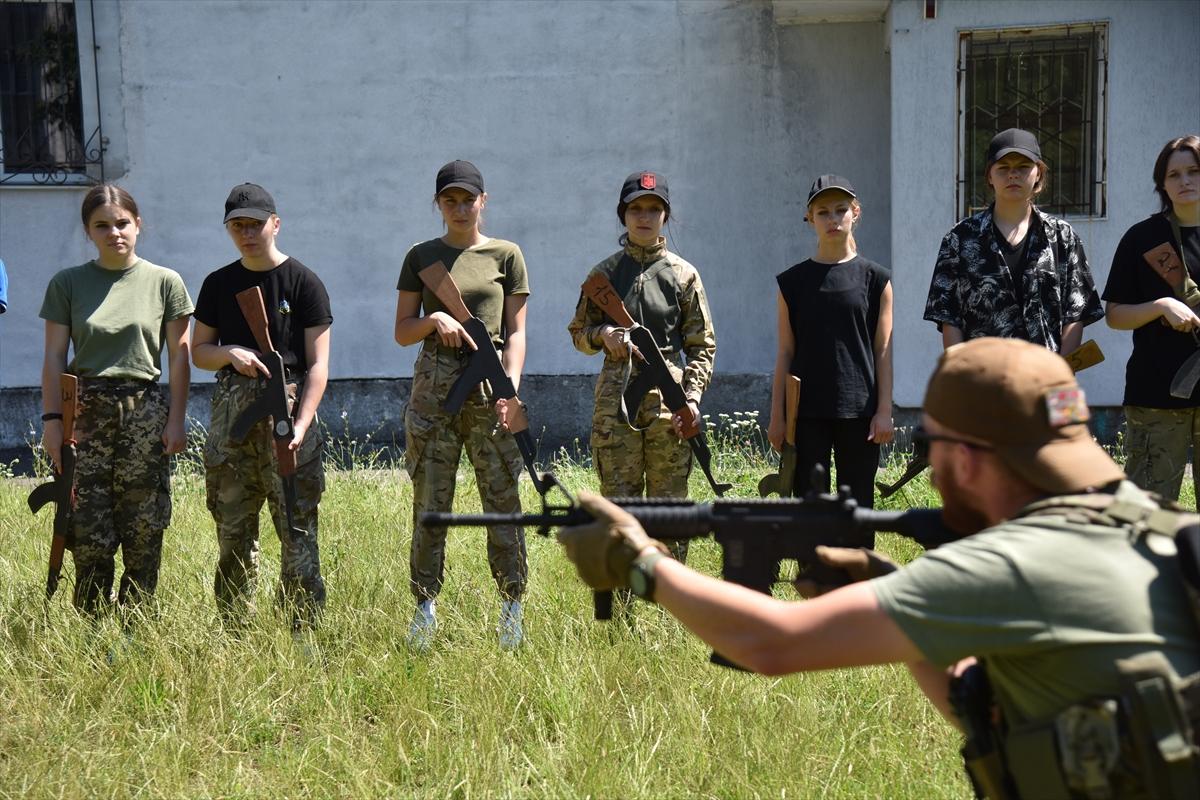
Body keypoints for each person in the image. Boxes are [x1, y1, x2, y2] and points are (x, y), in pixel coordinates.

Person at [557, 337, 1200, 797]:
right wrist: (903, 604)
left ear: (968, 460)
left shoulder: (1013, 561)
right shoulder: (1168, 529)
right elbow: (989, 711)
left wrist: (640, 563)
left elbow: (772, 643)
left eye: (932, 445)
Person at [38, 184, 193, 616]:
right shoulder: (68, 283)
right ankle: (92, 630)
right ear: (88, 231)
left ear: (138, 224)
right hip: (83, 412)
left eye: (122, 223)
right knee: (88, 528)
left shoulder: (165, 282)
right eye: (101, 225)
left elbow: (180, 359)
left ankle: (136, 627)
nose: (114, 233)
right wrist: (53, 421)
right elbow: (53, 358)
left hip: (143, 410)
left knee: (144, 526)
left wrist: (176, 420)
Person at [394, 160, 530, 651]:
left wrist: (510, 388)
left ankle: (512, 608)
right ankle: (424, 609)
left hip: (491, 389)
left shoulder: (506, 254)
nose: (458, 208)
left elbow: (516, 332)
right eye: (449, 200)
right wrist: (433, 321)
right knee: (431, 501)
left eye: (467, 199)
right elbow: (402, 330)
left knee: (503, 501)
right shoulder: (421, 256)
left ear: (483, 201)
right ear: (438, 204)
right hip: (435, 391)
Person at [192, 183, 332, 634]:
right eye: (238, 226)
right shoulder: (219, 283)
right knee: (233, 527)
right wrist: (230, 352)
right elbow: (200, 352)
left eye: (255, 224)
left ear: (276, 223)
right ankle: (236, 631)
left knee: (296, 525)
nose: (248, 234)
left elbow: (318, 366)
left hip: (288, 410)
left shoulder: (304, 282)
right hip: (233, 413)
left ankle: (302, 631)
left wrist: (302, 424)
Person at [566, 170, 716, 575]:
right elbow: (577, 333)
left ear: (665, 215)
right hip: (616, 406)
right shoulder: (603, 275)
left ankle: (672, 601)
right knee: (618, 508)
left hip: (669, 403)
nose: (644, 217)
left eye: (654, 209)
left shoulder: (683, 275)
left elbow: (702, 345)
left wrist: (694, 399)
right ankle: (621, 612)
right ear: (623, 215)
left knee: (669, 509)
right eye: (636, 209)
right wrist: (603, 334)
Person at [767, 175, 893, 514]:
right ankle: (813, 568)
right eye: (823, 212)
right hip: (805, 413)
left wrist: (884, 411)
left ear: (855, 212)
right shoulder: (791, 283)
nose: (833, 219)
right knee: (810, 508)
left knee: (857, 510)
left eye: (841, 210)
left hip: (860, 412)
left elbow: (882, 351)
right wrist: (777, 416)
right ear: (810, 218)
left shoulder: (876, 278)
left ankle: (857, 568)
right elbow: (785, 351)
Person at [924, 128, 1104, 355]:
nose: (1013, 175)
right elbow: (949, 318)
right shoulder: (959, 239)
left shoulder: (1062, 237)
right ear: (989, 175)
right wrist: (964, 377)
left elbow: (1076, 313)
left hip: (1046, 380)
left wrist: (1061, 371)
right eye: (1003, 168)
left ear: (1038, 172)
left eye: (1022, 167)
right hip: (982, 380)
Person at [1103, 135, 1200, 507]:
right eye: (1174, 174)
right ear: (1162, 183)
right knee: (1148, 510)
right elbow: (1114, 316)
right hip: (1156, 394)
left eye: (1194, 171)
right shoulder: (1142, 237)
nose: (1185, 181)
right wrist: (1161, 306)